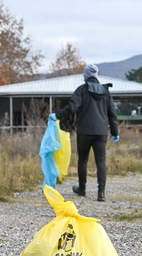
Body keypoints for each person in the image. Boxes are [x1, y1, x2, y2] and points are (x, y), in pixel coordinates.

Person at [50, 64, 119, 202]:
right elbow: (112, 113)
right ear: (96, 75)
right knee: (101, 161)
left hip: (84, 131)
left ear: (85, 75)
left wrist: (57, 115)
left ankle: (82, 189)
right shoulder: (106, 92)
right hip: (100, 132)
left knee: (83, 160)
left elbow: (72, 107)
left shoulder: (82, 90)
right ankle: (101, 193)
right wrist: (114, 131)